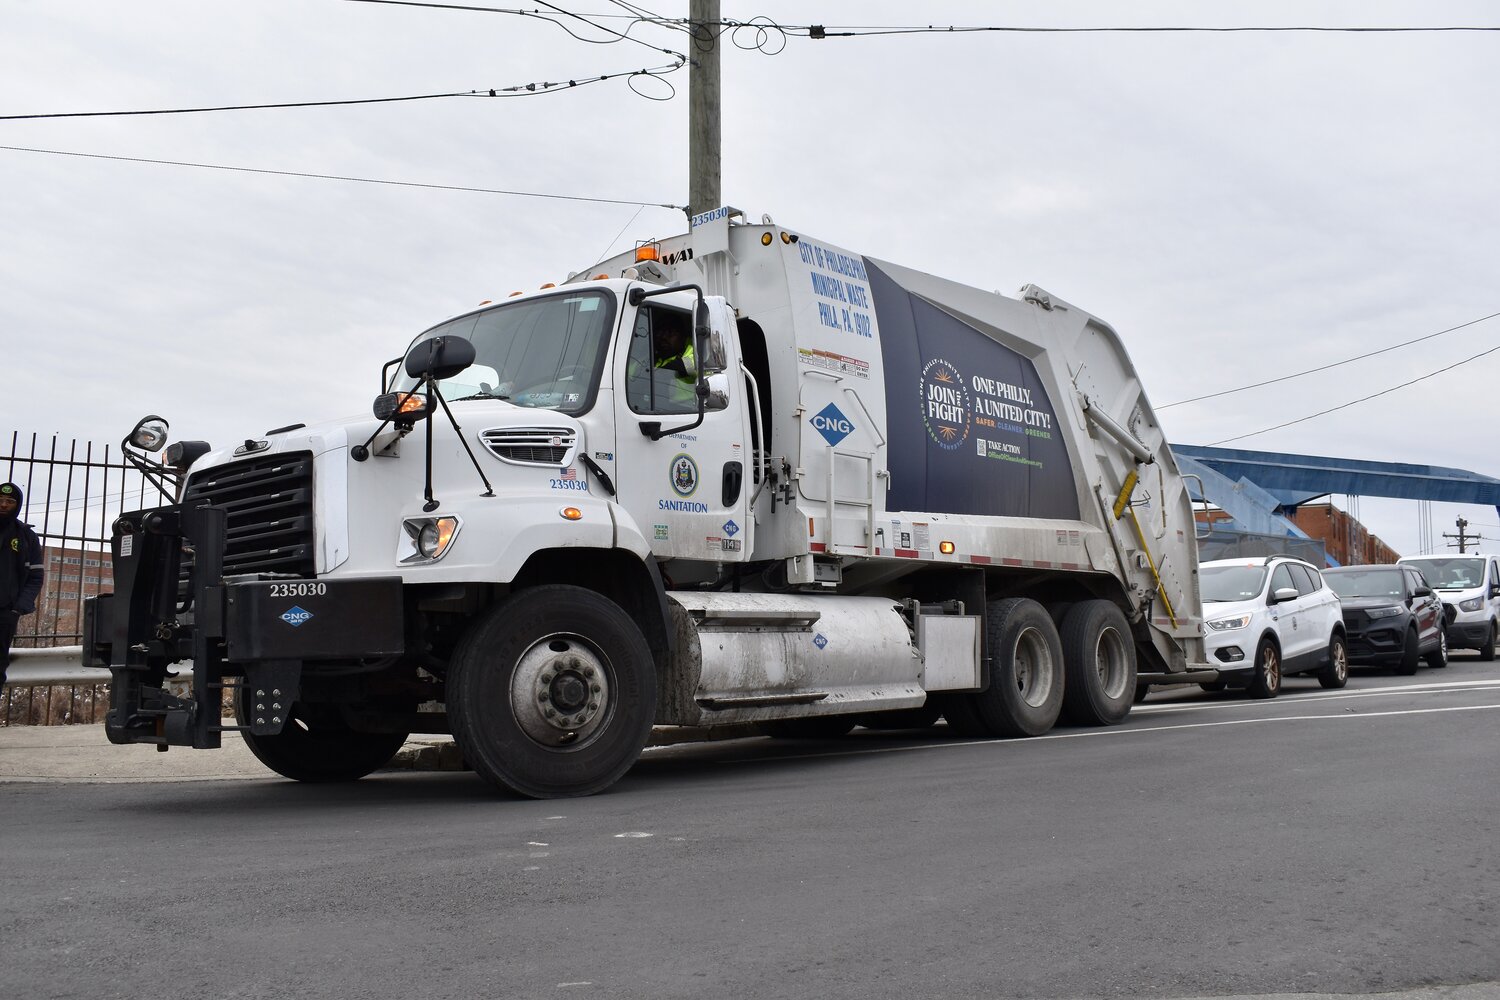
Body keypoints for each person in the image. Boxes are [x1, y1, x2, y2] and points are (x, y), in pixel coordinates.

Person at [0, 481, 44, 690]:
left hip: (4, 613)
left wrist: (17, 608)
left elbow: (36, 577)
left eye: (9, 501)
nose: (3, 505)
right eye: (0, 500)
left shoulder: (25, 536)